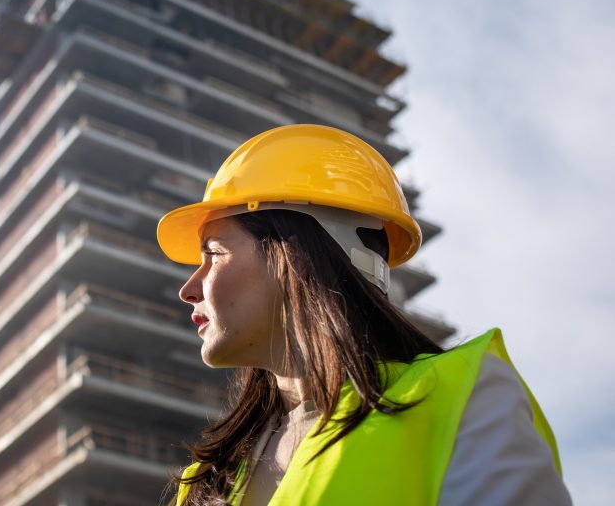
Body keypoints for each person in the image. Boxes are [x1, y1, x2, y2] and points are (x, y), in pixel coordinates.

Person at [156, 124, 570, 505]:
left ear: (294, 255)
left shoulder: (459, 396)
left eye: (213, 254)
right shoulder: (204, 482)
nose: (188, 289)